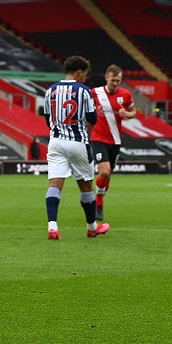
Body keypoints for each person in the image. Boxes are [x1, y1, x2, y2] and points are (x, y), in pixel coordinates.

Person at [42, 57, 109, 240]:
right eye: (85, 74)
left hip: (55, 142)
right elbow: (93, 119)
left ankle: (52, 227)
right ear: (79, 71)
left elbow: (48, 120)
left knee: (55, 186)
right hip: (78, 142)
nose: (85, 78)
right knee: (86, 186)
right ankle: (92, 227)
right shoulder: (84, 91)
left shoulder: (50, 90)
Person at [89, 64, 137, 221]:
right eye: (113, 80)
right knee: (104, 171)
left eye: (118, 81)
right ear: (106, 78)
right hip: (97, 138)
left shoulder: (126, 94)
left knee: (108, 176)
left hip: (115, 140)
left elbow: (134, 112)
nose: (115, 83)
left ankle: (100, 201)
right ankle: (98, 202)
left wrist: (127, 114)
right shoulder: (95, 92)